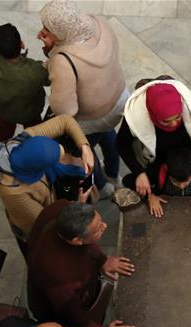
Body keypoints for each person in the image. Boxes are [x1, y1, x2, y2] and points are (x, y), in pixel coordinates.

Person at [39, 0, 127, 195]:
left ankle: (103, 186)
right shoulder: (99, 23)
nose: (40, 33)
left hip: (94, 115)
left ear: (61, 33)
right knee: (108, 133)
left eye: (47, 30)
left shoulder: (64, 61)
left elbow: (65, 112)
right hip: (118, 99)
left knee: (84, 148)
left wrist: (52, 54)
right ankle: (114, 174)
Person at [27, 200, 137, 327]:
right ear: (77, 241)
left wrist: (102, 260)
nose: (105, 226)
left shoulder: (62, 208)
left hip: (76, 289)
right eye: (98, 229)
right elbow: (73, 319)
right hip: (57, 310)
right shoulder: (60, 277)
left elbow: (88, 242)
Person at [0, 114, 94, 254]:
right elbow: (49, 223)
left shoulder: (26, 141)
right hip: (37, 232)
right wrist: (78, 206)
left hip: (50, 199)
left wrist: (85, 147)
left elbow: (65, 121)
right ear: (37, 167)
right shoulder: (14, 192)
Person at [116, 79, 191, 210]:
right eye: (165, 121)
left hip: (186, 153)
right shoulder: (136, 116)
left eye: (178, 117)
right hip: (156, 156)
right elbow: (122, 144)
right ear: (152, 115)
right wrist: (139, 173)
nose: (174, 124)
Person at [0, 23, 49, 142]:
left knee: (4, 136)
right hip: (32, 113)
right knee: (35, 137)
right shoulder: (35, 69)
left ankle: (1, 152)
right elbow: (50, 80)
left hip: (4, 113)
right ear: (21, 44)